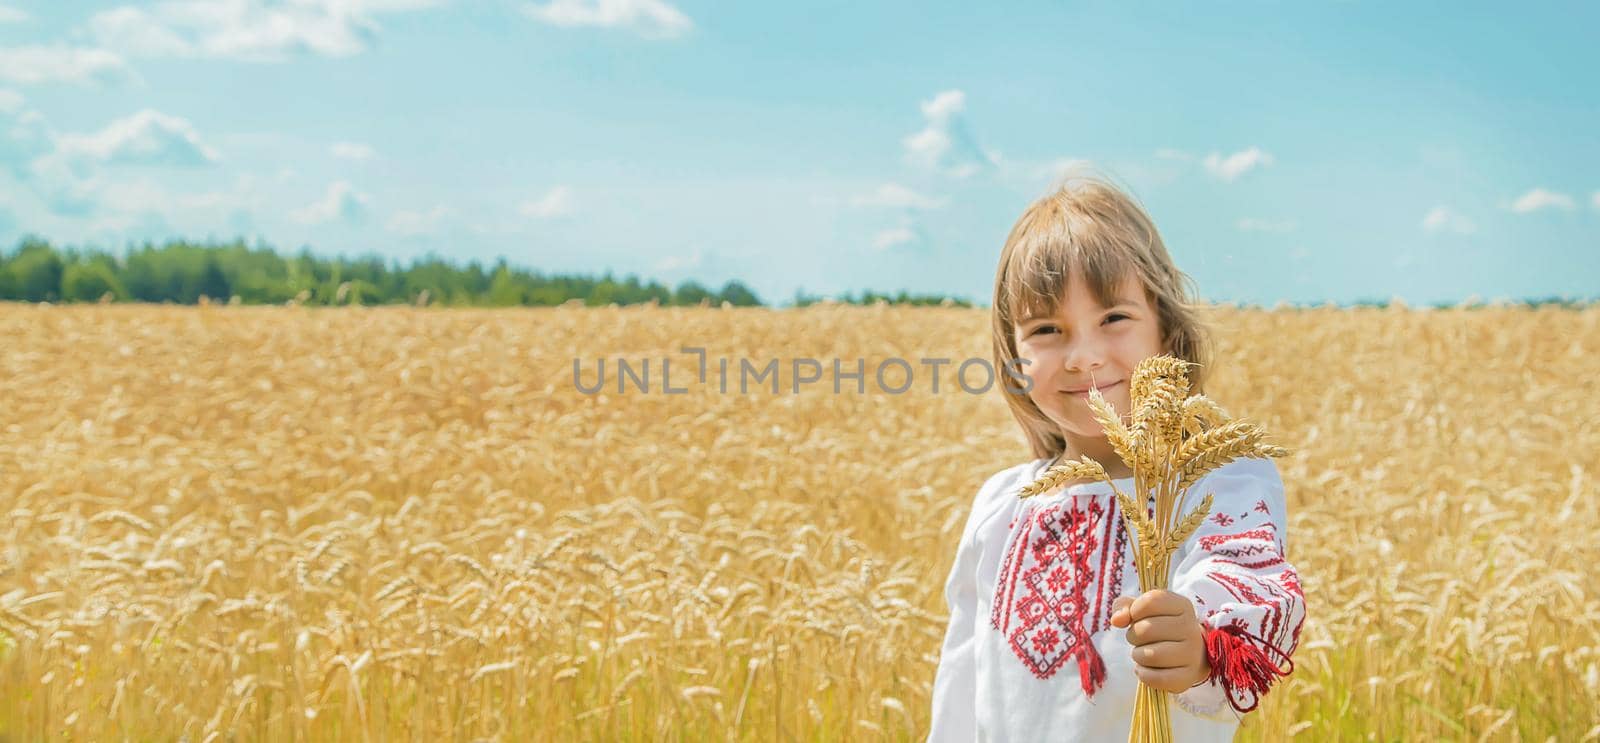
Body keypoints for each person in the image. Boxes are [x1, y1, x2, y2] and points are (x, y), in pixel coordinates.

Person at [927, 173, 1306, 742]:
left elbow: (1249, 587)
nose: (1083, 357)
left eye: (1114, 319)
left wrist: (1199, 646)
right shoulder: (1002, 505)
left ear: (1167, 333)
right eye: (1047, 330)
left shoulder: (1215, 481)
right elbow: (960, 682)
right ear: (1013, 358)